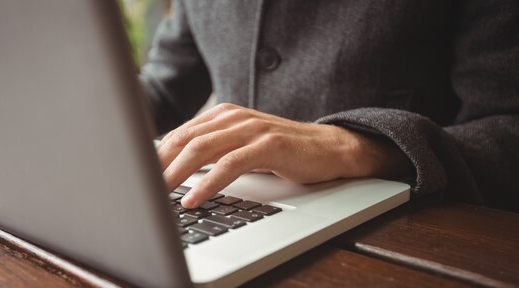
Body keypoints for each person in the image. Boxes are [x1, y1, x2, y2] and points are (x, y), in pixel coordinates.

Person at [139, 1, 519, 211]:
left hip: (406, 238)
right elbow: (165, 91)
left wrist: (361, 146)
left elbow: (508, 128)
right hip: (229, 208)